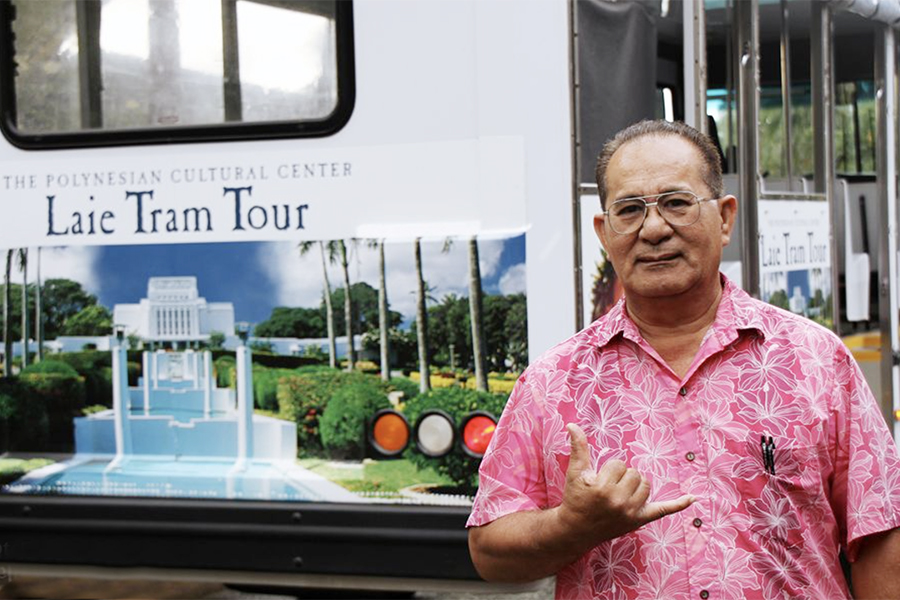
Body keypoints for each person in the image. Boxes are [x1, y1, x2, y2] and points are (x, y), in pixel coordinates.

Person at [466, 119, 900, 599]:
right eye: (629, 210)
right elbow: (488, 552)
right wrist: (573, 525)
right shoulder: (554, 383)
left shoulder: (816, 360)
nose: (653, 228)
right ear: (604, 233)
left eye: (676, 203)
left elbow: (880, 534)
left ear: (726, 218)